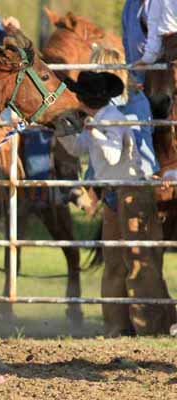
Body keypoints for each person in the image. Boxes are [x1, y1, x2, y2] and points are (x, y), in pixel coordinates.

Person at [58, 71, 176, 336]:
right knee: (115, 259)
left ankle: (153, 325)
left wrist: (93, 130)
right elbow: (78, 148)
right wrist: (63, 131)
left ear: (84, 99)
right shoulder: (101, 119)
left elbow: (111, 156)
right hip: (118, 190)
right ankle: (118, 325)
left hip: (133, 189)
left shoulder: (110, 120)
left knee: (139, 258)